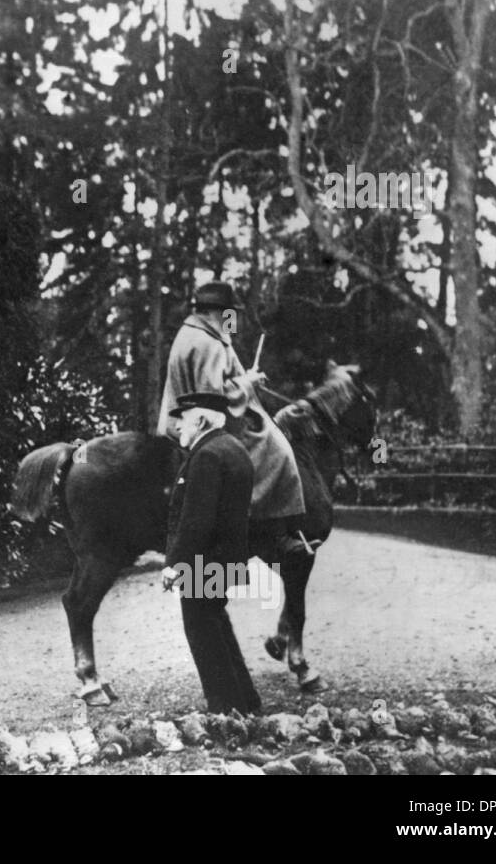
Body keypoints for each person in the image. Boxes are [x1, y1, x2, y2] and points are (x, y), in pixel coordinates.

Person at [156, 281, 307, 553]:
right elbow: (213, 397)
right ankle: (274, 532)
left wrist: (243, 379)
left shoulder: (189, 333)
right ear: (219, 312)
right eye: (230, 313)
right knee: (278, 449)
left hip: (179, 421)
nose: (232, 319)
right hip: (204, 422)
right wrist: (248, 382)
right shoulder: (209, 343)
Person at [160, 392, 261, 715]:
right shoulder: (233, 448)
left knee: (202, 631)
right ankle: (245, 701)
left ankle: (225, 707)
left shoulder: (206, 455)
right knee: (216, 624)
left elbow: (196, 520)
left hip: (203, 562)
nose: (178, 427)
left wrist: (174, 565)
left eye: (184, 419)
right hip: (225, 559)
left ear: (201, 420)